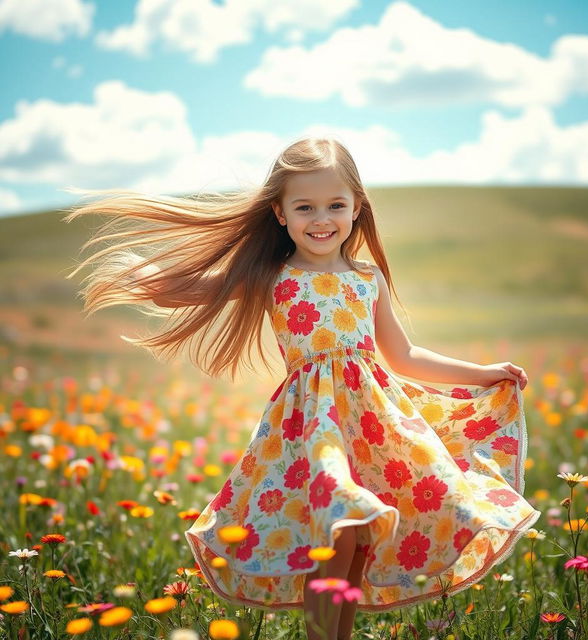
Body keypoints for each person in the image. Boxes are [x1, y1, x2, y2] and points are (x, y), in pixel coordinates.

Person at [63, 137, 541, 640]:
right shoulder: (273, 275)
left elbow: (403, 356)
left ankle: (337, 634)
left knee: (356, 538)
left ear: (358, 207)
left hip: (374, 423)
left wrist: (483, 371)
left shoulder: (366, 277)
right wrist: (141, 273)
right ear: (280, 213)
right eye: (305, 206)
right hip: (313, 423)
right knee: (337, 530)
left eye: (336, 205)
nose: (322, 218)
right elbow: (194, 290)